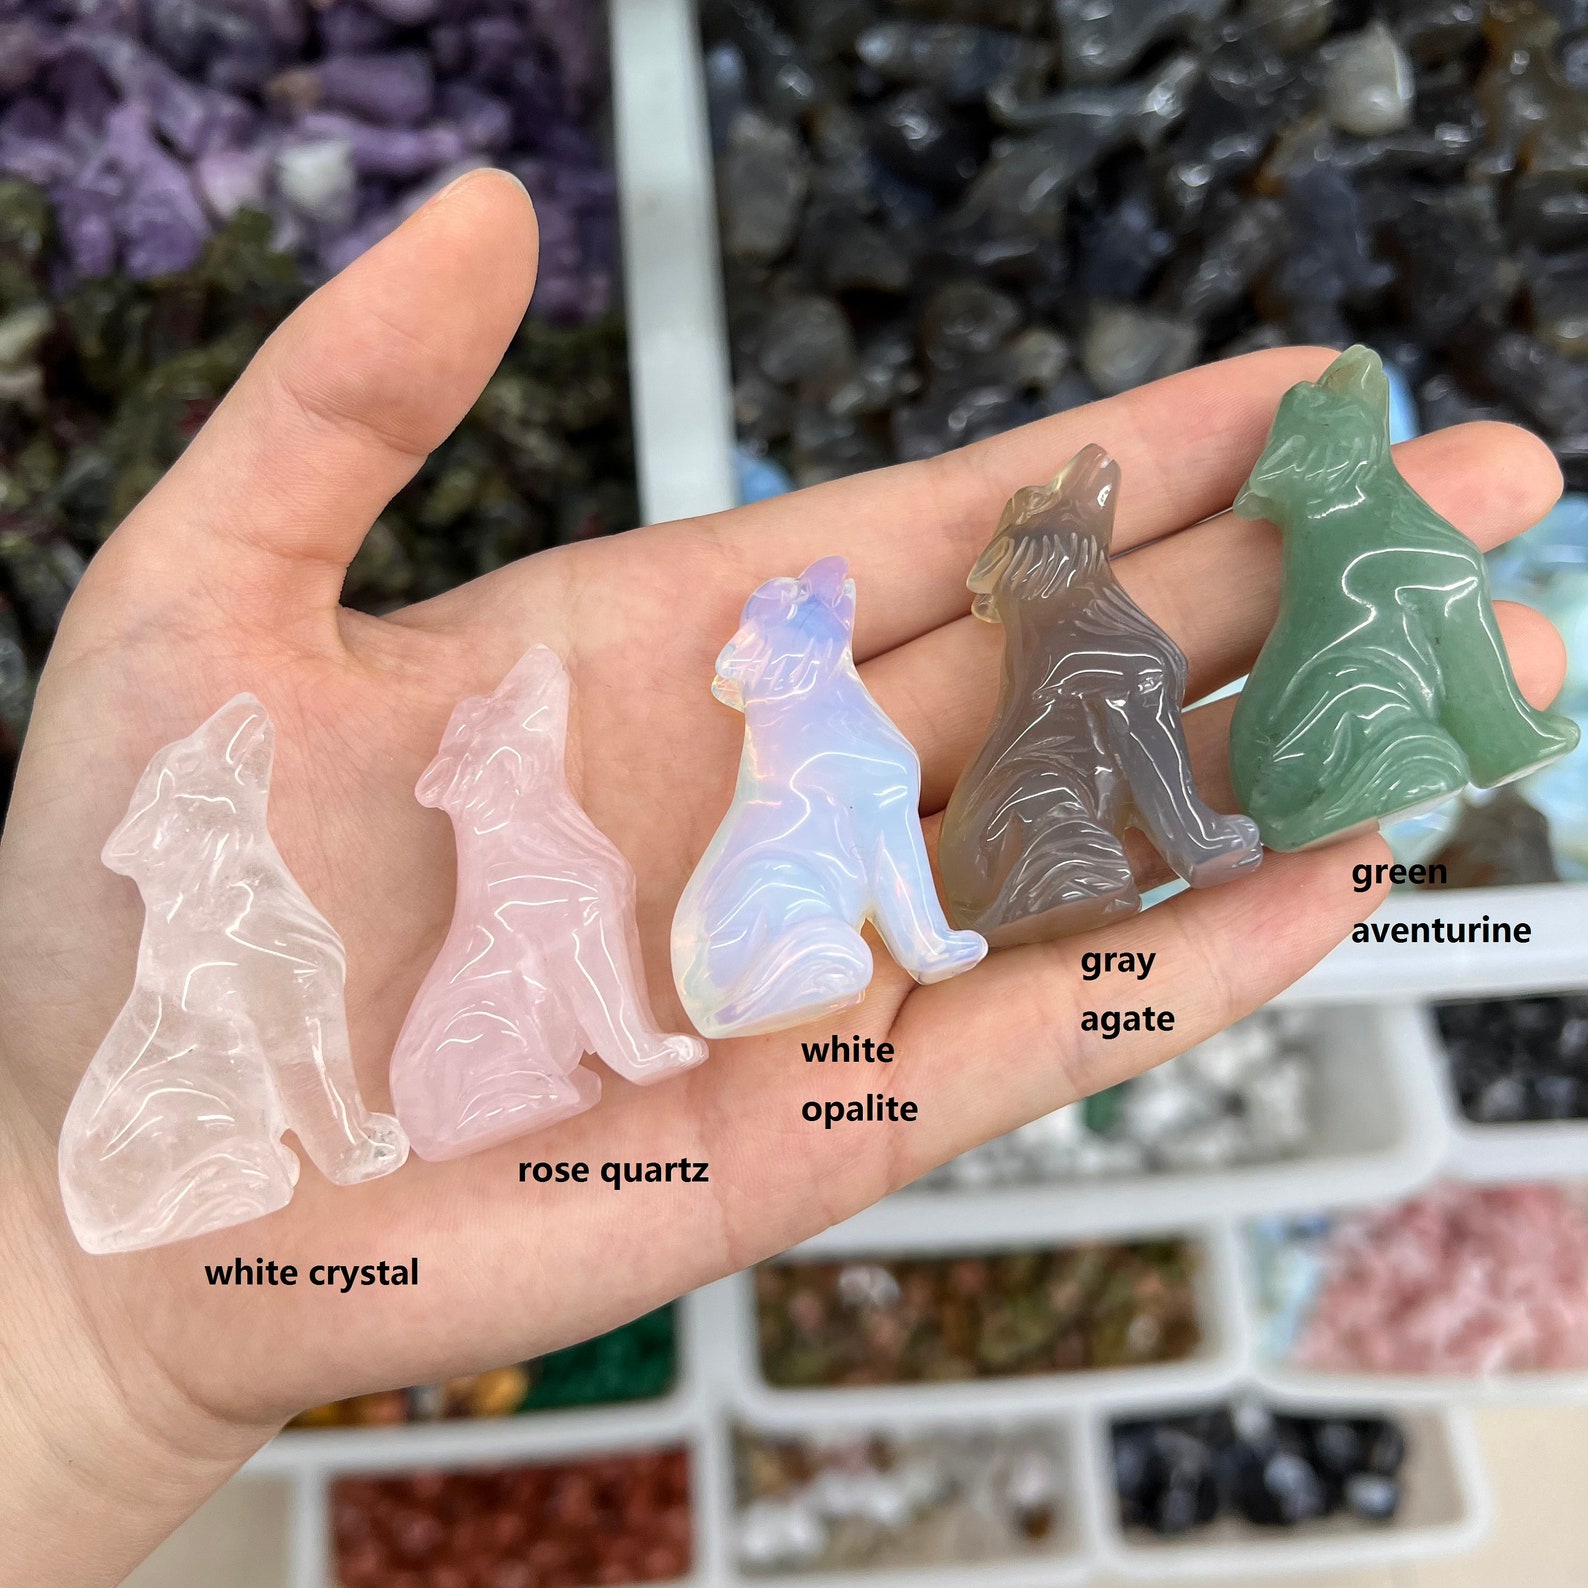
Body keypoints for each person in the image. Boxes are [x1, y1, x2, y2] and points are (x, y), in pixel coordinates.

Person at [0, 169, 1568, 1587]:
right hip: (728, 980)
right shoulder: (794, 744)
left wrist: (89, 1351)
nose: (740, 672)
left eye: (762, 651)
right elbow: (813, 864)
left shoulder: (867, 716)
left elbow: (888, 835)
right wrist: (81, 1324)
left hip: (873, 924)